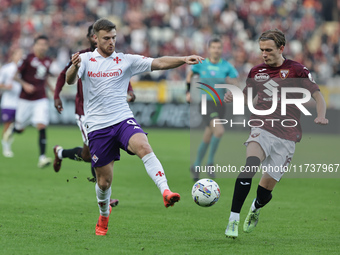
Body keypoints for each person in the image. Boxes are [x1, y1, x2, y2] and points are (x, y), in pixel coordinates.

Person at [66, 18, 203, 236]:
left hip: (122, 119)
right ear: (95, 39)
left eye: (114, 38)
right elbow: (70, 81)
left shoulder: (125, 60)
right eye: (106, 38)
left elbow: (158, 63)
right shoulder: (84, 60)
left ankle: (165, 191)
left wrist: (184, 59)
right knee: (104, 182)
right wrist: (74, 67)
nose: (111, 42)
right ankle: (103, 214)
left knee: (143, 145)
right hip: (98, 128)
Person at [224, 29, 328, 238]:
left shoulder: (297, 70)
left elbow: (318, 96)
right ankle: (232, 220)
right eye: (262, 50)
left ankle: (256, 207)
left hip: (287, 135)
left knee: (264, 193)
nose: (264, 54)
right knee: (250, 165)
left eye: (269, 50)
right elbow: (248, 97)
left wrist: (321, 115)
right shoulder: (256, 71)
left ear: (281, 48)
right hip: (262, 126)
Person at [53, 24, 135, 207]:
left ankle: (60, 152)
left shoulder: (113, 57)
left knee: (87, 154)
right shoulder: (81, 57)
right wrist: (56, 95)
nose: (104, 40)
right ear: (92, 37)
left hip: (106, 114)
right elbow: (63, 75)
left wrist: (129, 90)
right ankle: (104, 194)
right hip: (85, 112)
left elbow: (121, 75)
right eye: (95, 36)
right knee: (94, 152)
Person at [186, 36, 239, 181]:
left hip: (220, 105)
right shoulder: (201, 64)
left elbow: (235, 82)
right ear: (209, 49)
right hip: (205, 103)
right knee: (220, 130)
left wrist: (231, 89)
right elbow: (190, 74)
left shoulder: (227, 66)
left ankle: (196, 165)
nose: (216, 50)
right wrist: (188, 91)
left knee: (208, 135)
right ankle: (210, 163)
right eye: (214, 47)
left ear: (222, 49)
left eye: (219, 48)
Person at [3, 35, 55, 168]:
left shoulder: (48, 61)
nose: (42, 47)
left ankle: (42, 158)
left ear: (47, 46)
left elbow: (45, 77)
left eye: (45, 44)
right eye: (40, 44)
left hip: (40, 98)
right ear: (35, 46)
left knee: (41, 125)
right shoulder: (28, 59)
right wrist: (25, 84)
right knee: (20, 129)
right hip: (25, 99)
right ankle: (14, 129)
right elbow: (16, 76)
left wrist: (51, 88)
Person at [0, 49, 23, 157]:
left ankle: (7, 143)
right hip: (8, 102)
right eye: (18, 54)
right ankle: (6, 147)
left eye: (21, 54)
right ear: (13, 56)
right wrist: (6, 87)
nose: (20, 56)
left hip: (20, 102)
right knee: (7, 125)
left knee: (19, 126)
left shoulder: (24, 69)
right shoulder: (6, 69)